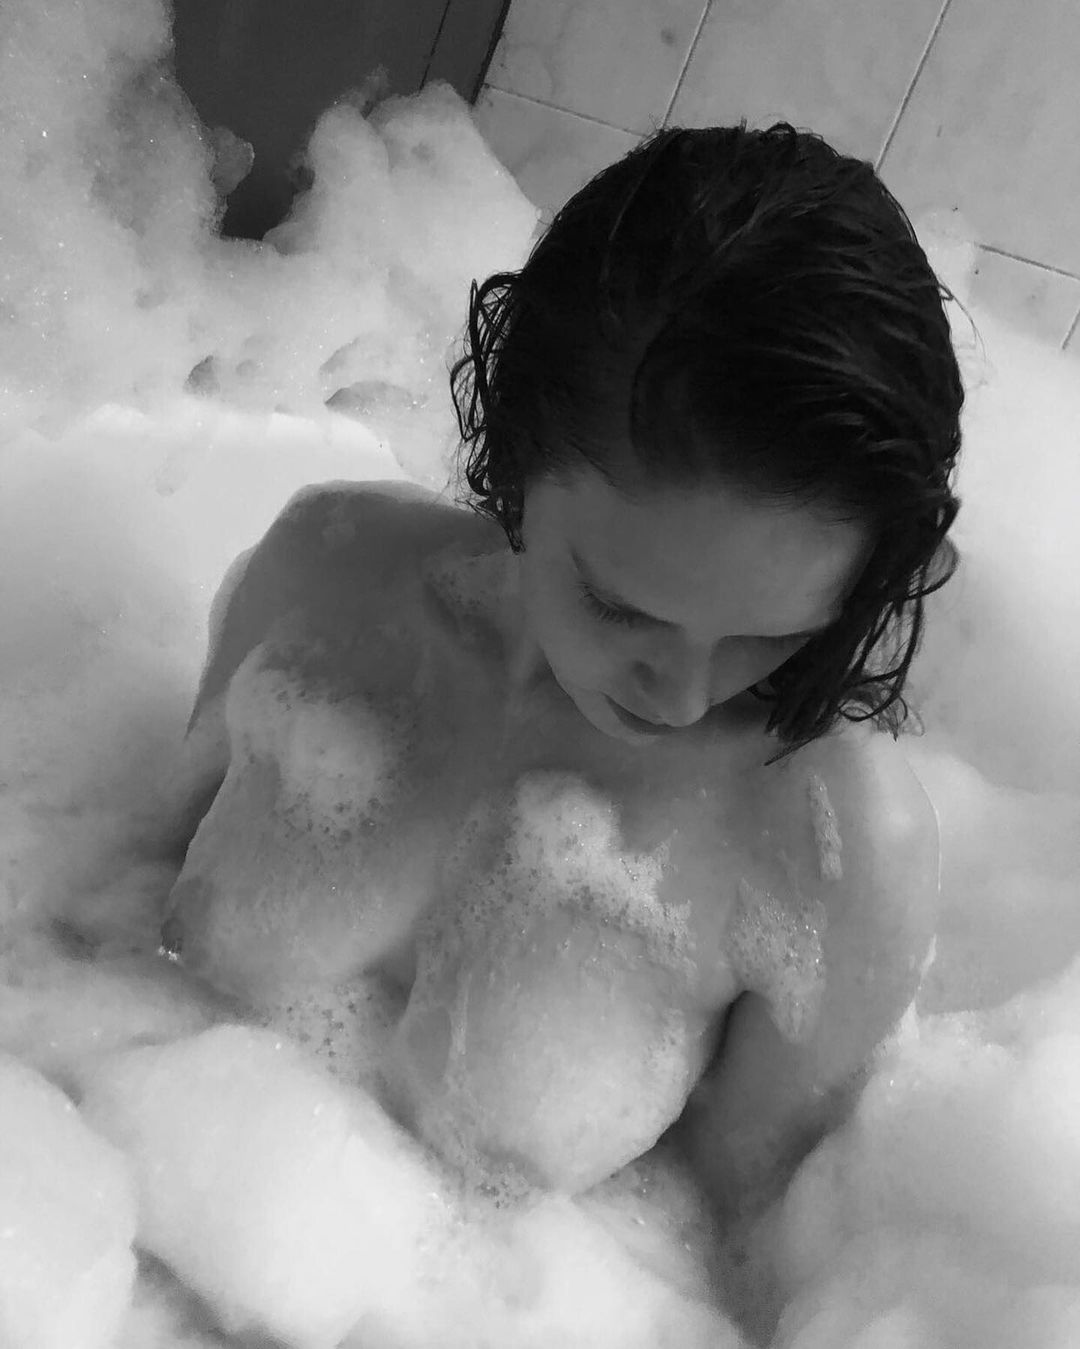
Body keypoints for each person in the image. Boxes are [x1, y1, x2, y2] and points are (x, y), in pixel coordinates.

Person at [162, 121, 962, 1250]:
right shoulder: (323, 572)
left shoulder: (837, 847)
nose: (682, 694)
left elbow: (736, 1245)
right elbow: (114, 893)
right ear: (516, 453)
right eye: (620, 606)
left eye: (770, 639)